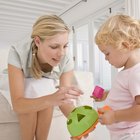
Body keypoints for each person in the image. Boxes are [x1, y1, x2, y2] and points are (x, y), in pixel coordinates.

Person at [7, 15, 83, 140]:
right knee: (33, 86)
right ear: (37, 41)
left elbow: (63, 100)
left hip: (44, 88)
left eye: (65, 46)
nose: (61, 53)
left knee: (45, 86)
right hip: (23, 89)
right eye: (54, 47)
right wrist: (51, 99)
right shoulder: (17, 52)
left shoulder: (66, 58)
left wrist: (79, 123)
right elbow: (18, 104)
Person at [94, 14, 140, 140]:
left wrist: (114, 116)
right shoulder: (127, 72)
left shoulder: (136, 74)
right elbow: (126, 95)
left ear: (125, 46)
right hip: (121, 134)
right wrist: (108, 94)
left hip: (130, 135)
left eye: (107, 53)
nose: (105, 58)